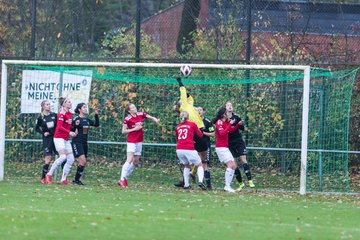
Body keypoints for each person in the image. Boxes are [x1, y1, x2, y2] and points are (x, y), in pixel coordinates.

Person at [173, 77, 208, 187]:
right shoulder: (184, 105)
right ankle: (200, 180)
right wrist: (180, 82)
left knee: (192, 161)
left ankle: (187, 181)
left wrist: (185, 91)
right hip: (196, 132)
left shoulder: (190, 105)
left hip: (186, 141)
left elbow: (188, 95)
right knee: (201, 160)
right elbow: (183, 92)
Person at [118, 103, 160, 188]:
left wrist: (154, 119)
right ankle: (122, 179)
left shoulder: (140, 114)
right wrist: (134, 129)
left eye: (134, 106)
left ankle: (124, 178)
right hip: (131, 141)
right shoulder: (127, 119)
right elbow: (123, 131)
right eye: (133, 107)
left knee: (136, 162)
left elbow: (149, 116)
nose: (135, 108)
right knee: (129, 159)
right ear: (129, 111)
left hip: (139, 141)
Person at [45, 97, 77, 185]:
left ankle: (63, 179)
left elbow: (67, 126)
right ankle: (49, 174)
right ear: (64, 104)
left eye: (71, 102)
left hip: (65, 139)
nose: (70, 103)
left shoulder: (70, 114)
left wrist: (73, 130)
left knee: (71, 159)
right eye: (69, 102)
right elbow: (59, 127)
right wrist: (69, 132)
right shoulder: (61, 113)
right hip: (59, 137)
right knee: (63, 157)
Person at [225, 101, 255, 191]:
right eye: (228, 105)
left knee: (243, 159)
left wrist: (241, 124)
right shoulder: (224, 119)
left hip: (239, 141)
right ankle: (241, 183)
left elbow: (242, 128)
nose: (230, 107)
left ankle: (250, 180)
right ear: (225, 107)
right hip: (230, 143)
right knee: (234, 163)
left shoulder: (236, 117)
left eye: (231, 105)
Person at [175, 111, 206, 190]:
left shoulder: (178, 127)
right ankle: (200, 181)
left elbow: (178, 139)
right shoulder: (192, 124)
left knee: (187, 165)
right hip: (188, 148)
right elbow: (201, 135)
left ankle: (186, 185)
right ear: (189, 117)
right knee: (199, 164)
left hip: (179, 149)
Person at [212, 107, 241, 193]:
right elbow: (222, 133)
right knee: (230, 164)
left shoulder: (225, 122)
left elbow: (231, 130)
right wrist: (229, 124)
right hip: (220, 148)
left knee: (233, 165)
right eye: (227, 113)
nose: (229, 114)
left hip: (225, 147)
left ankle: (228, 186)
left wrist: (238, 124)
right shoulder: (219, 122)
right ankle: (227, 186)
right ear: (223, 115)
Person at [71, 103, 100, 185]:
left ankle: (76, 180)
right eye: (84, 107)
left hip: (84, 143)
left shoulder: (86, 120)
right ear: (79, 109)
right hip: (77, 142)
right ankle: (76, 180)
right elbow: (70, 128)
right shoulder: (76, 119)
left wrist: (96, 115)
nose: (85, 108)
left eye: (86, 107)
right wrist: (72, 131)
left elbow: (96, 124)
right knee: (82, 161)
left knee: (82, 162)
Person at [36, 100, 57, 184]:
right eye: (47, 104)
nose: (49, 106)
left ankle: (64, 178)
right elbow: (37, 128)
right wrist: (43, 133)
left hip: (56, 138)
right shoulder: (40, 117)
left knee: (63, 156)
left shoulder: (54, 115)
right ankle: (43, 178)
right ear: (43, 106)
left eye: (49, 104)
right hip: (47, 140)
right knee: (48, 159)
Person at [197, 106, 215, 189]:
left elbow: (213, 134)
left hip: (205, 146)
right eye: (197, 110)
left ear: (203, 112)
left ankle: (208, 185)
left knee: (204, 164)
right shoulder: (194, 121)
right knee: (197, 164)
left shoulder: (207, 122)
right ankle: (200, 181)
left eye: (200, 110)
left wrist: (203, 133)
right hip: (196, 145)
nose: (199, 111)